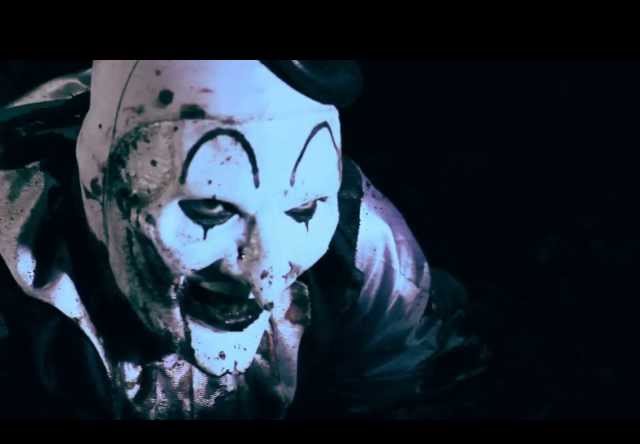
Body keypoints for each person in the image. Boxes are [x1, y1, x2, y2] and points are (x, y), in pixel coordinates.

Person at [0, 60, 478, 419]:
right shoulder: (15, 275)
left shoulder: (361, 248)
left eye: (302, 210)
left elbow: (404, 384)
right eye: (211, 208)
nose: (266, 269)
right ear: (97, 182)